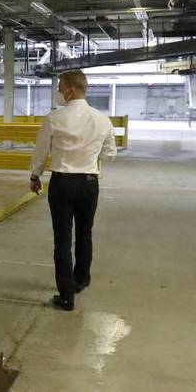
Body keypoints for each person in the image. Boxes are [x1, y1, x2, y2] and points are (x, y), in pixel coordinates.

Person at [29, 70, 117, 311]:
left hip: (62, 183)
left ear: (71, 89)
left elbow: (40, 152)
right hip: (89, 183)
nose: (58, 91)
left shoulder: (55, 118)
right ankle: (81, 280)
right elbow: (110, 153)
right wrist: (89, 155)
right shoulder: (102, 119)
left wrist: (35, 175)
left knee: (62, 239)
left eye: (60, 87)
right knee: (85, 233)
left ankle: (66, 295)